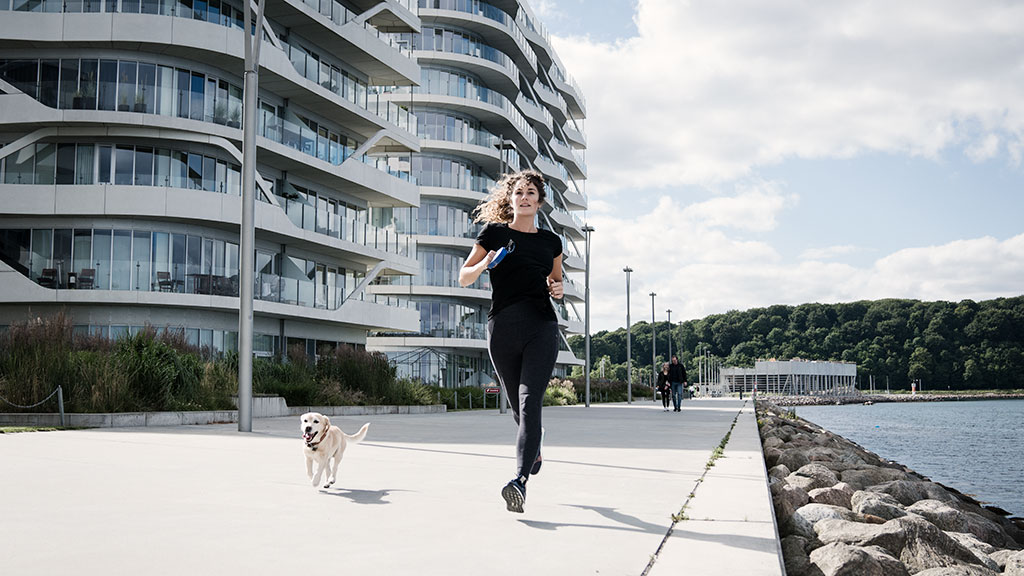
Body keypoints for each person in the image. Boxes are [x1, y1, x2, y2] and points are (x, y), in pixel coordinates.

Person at [459, 169, 563, 514]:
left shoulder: (551, 243)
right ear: (511, 199)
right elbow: (464, 277)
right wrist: (485, 262)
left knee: (530, 402)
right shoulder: (494, 234)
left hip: (541, 326)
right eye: (519, 192)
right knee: (519, 411)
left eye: (531, 192)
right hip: (502, 328)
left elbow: (556, 282)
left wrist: (558, 290)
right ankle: (535, 443)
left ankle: (518, 481)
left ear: (539, 200)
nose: (525, 197)